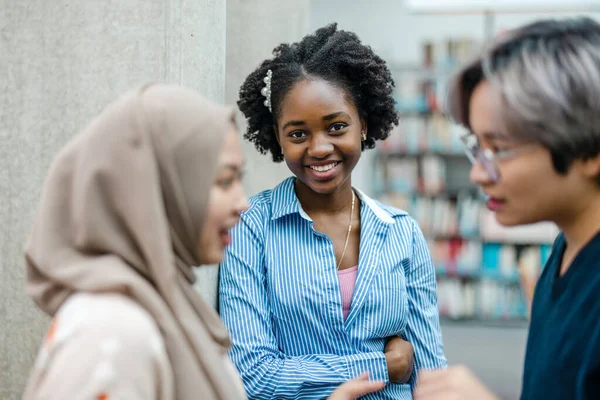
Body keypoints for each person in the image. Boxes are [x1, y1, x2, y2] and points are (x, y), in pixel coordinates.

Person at [22, 83, 385, 400]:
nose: (242, 202)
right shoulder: (108, 334)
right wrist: (382, 364)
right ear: (159, 190)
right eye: (224, 182)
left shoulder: (165, 306)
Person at [218, 23, 447, 400]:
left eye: (336, 126)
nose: (319, 148)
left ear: (363, 125)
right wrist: (382, 365)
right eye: (298, 134)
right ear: (278, 137)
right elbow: (253, 376)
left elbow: (431, 376)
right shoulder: (250, 227)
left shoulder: (402, 233)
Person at [414, 17, 600, 400]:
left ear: (590, 149)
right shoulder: (568, 249)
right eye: (477, 147)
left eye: (499, 149)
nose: (478, 173)